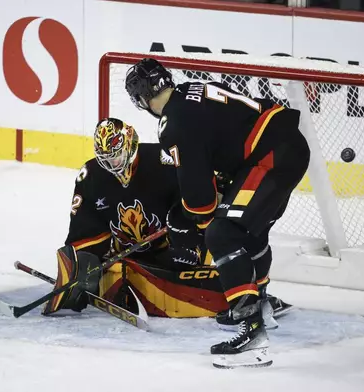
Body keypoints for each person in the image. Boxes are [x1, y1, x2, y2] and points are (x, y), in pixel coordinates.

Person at [125, 58, 310, 368]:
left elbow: (199, 199)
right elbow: (228, 130)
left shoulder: (173, 123)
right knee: (248, 230)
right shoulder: (193, 89)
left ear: (141, 100)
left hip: (271, 158)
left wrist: (192, 219)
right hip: (284, 146)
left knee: (221, 233)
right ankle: (260, 302)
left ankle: (252, 333)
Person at [43, 118, 292, 327]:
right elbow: (85, 228)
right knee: (97, 264)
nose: (112, 166)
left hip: (175, 248)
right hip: (128, 254)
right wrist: (83, 264)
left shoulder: (164, 160)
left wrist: (186, 232)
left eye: (116, 158)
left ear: (129, 145)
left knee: (205, 247)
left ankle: (248, 296)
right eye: (106, 160)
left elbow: (204, 194)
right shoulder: (91, 175)